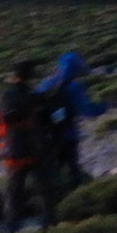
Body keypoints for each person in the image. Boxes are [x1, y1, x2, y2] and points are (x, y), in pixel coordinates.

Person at [0, 60, 62, 232]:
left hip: (11, 153)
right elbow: (51, 122)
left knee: (13, 194)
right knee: (46, 191)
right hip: (37, 151)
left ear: (13, 76)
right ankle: (50, 228)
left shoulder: (0, 99)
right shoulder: (35, 98)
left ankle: (11, 230)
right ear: (30, 76)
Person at [37, 51, 107, 188]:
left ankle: (50, 199)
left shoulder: (45, 84)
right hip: (68, 134)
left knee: (51, 170)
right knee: (72, 168)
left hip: (45, 134)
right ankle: (75, 195)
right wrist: (104, 106)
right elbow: (87, 110)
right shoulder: (74, 87)